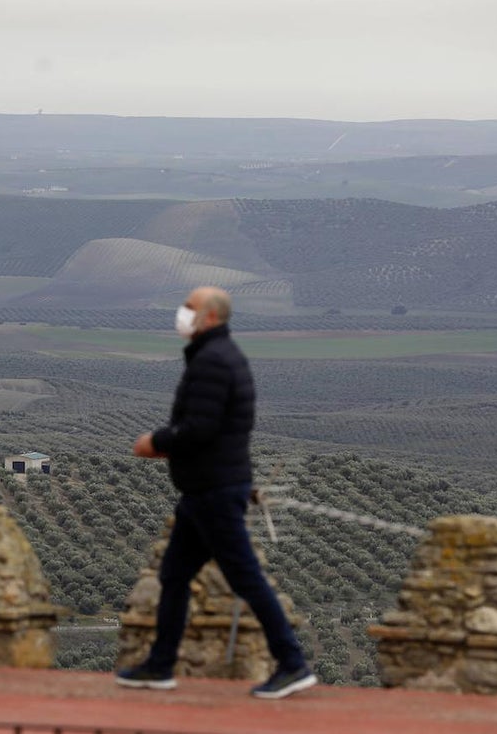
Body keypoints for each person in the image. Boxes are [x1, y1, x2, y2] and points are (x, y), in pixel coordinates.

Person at [115, 286, 317, 699]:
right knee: (174, 575)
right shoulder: (217, 356)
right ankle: (161, 665)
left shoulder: (212, 361)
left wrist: (156, 441)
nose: (182, 313)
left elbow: (200, 428)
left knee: (245, 576)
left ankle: (293, 663)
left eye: (189, 308)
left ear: (210, 317)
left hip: (215, 490)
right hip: (203, 491)